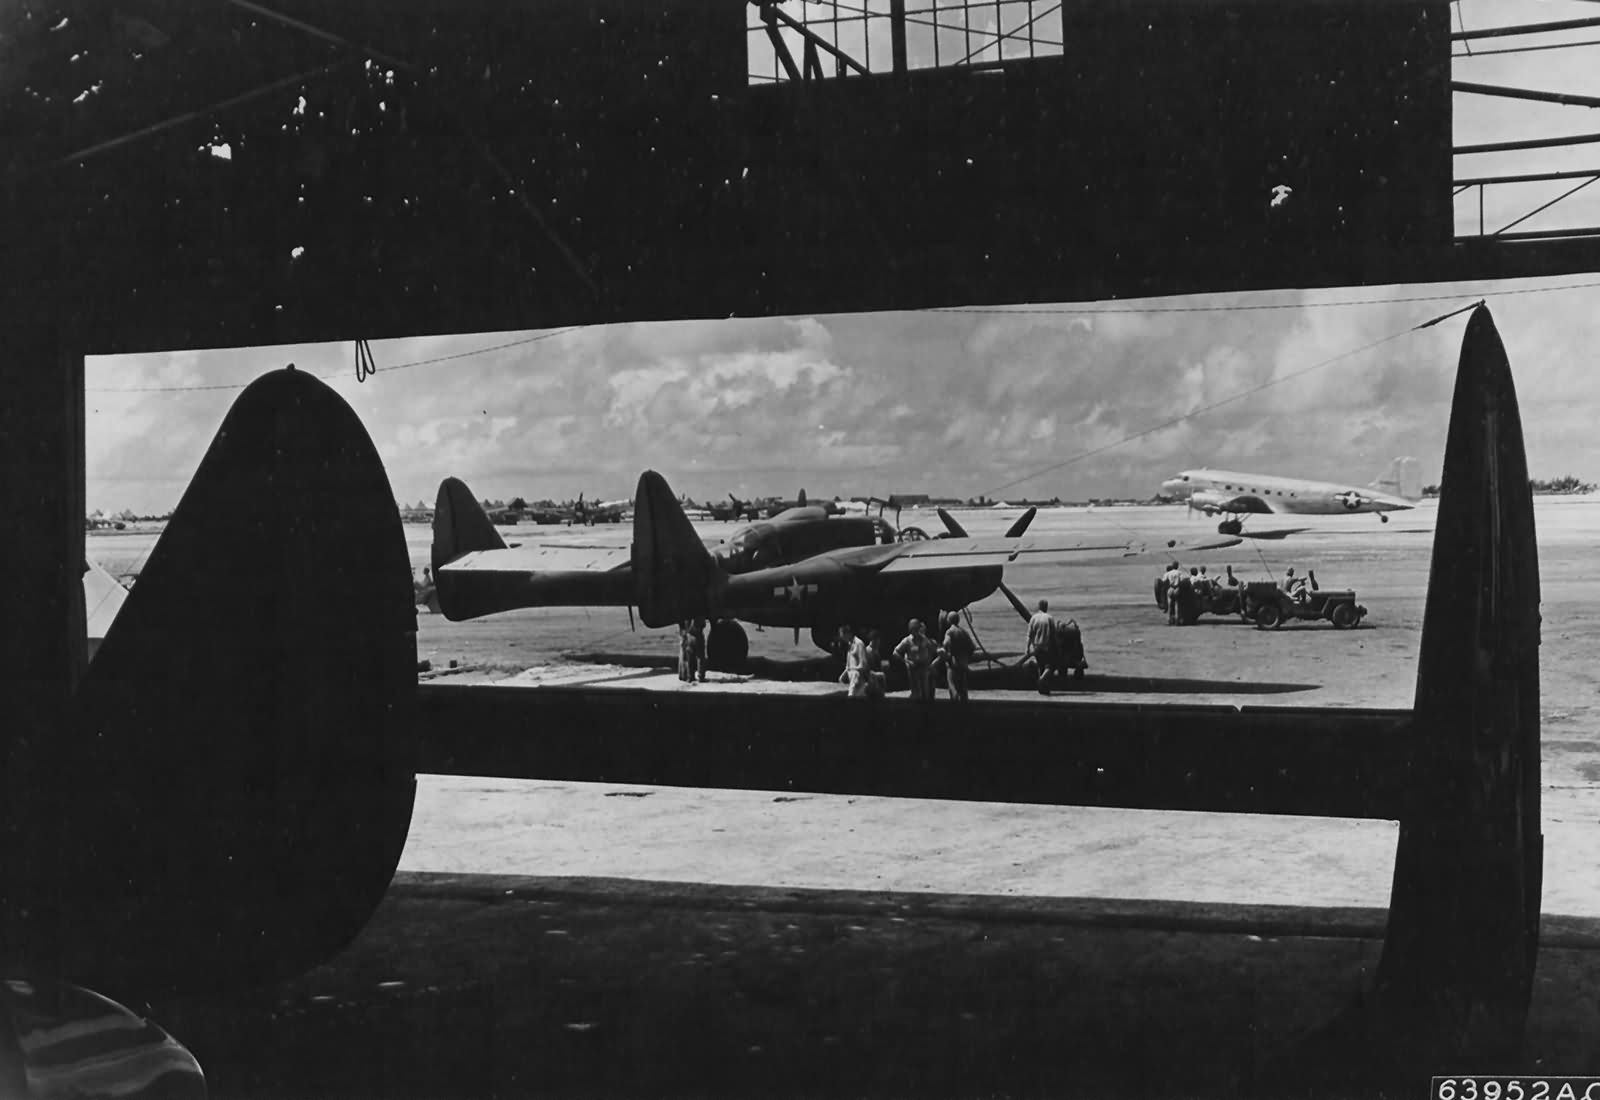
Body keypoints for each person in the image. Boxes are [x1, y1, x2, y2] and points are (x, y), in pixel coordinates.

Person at [893, 618, 939, 702]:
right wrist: (907, 661)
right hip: (913, 668)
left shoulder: (925, 639)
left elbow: (934, 650)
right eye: (913, 629)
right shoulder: (907, 640)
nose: (915, 632)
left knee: (925, 690)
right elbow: (895, 652)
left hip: (924, 667)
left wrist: (933, 663)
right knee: (916, 691)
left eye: (916, 629)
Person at [940, 611, 976, 702]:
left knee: (952, 685)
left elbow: (945, 644)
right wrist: (967, 658)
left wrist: (943, 651)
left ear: (949, 620)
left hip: (953, 663)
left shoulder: (949, 632)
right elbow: (972, 647)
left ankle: (955, 705)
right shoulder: (964, 632)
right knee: (963, 686)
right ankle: (964, 706)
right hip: (963, 662)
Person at [1026, 599, 1057, 693]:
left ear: (1039, 607)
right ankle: (1042, 680)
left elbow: (1029, 635)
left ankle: (1042, 688)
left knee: (1041, 666)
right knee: (1051, 666)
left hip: (1036, 646)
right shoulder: (1049, 618)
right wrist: (1056, 647)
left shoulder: (1033, 618)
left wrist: (1027, 648)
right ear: (1046, 607)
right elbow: (1053, 634)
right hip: (1046, 646)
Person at [839, 624, 869, 698]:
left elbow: (863, 665)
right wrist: (843, 675)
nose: (841, 637)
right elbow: (848, 664)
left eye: (842, 634)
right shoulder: (849, 644)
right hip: (852, 677)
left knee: (852, 699)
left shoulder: (859, 644)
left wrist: (852, 669)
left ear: (848, 633)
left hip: (858, 677)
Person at [864, 629, 887, 699]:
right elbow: (867, 667)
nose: (879, 642)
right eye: (877, 640)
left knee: (882, 675)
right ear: (873, 640)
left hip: (874, 673)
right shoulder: (868, 651)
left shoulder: (875, 650)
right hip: (869, 674)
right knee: (881, 676)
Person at [688, 617, 708, 682]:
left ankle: (690, 676)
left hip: (689, 636)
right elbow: (703, 624)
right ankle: (701, 676)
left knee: (690, 658)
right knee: (700, 657)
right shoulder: (699, 614)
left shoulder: (687, 613)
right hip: (698, 635)